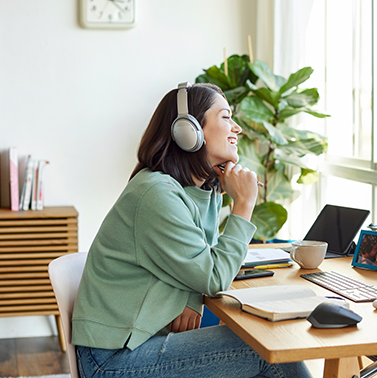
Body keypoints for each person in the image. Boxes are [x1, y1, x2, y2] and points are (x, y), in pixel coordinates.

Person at [71, 83, 312, 378]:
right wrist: (244, 204)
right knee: (266, 347)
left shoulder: (197, 190)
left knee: (268, 344)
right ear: (188, 131)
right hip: (113, 359)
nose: (236, 128)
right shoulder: (156, 193)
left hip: (139, 340)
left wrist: (191, 297)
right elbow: (213, 276)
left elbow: (201, 258)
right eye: (225, 117)